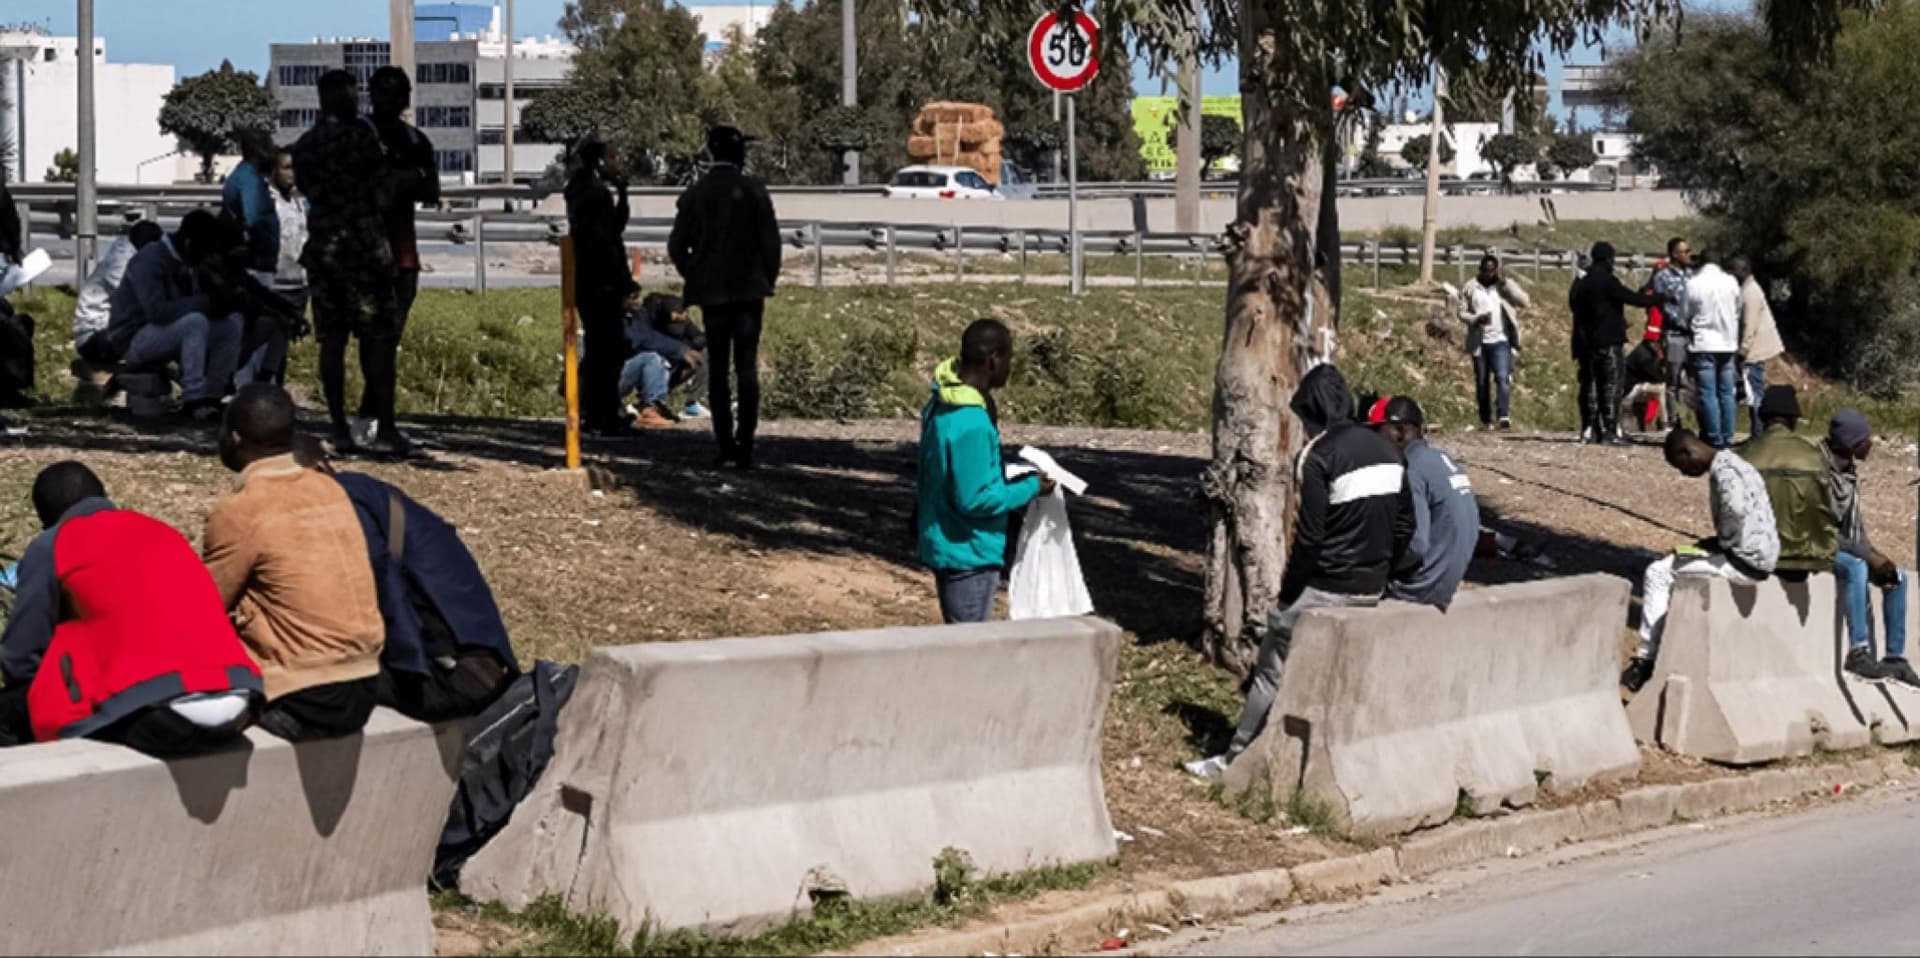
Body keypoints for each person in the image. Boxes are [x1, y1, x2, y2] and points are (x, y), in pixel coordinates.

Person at [1189, 364, 1413, 781]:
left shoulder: (1320, 454)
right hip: (1371, 588)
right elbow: (1405, 527)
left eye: (1305, 419)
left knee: (1269, 673)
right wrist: (1382, 571)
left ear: (1314, 413)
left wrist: (1288, 597)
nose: (1304, 428)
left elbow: (1310, 538)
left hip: (1327, 587)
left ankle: (1235, 761)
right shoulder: (1387, 449)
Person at [280, 402, 520, 720]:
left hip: (454, 674)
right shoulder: (370, 494)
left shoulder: (345, 503)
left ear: (321, 470)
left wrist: (407, 669)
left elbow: (382, 582)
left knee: (302, 686)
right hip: (480, 665)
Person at [0, 462, 261, 754]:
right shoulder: (163, 532)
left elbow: (20, 657)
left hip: (161, 711)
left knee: (11, 711)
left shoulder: (54, 543)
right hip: (241, 699)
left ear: (46, 519)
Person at [202, 384, 387, 741]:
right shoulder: (329, 488)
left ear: (236, 438)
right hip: (364, 684)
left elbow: (205, 608)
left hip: (304, 695)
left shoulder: (242, 510)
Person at [1620, 429, 1780, 692]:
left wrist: (1722, 541)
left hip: (1743, 562)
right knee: (1680, 559)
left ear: (1688, 452)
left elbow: (1736, 510)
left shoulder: (1723, 472)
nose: (1684, 472)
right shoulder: (1739, 463)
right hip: (1763, 556)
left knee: (1658, 573)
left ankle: (1646, 659)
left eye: (1681, 465)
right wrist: (1705, 545)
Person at [293, 69, 402, 455]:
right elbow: (383, 192)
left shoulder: (306, 146)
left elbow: (307, 189)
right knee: (377, 341)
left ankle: (337, 424)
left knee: (332, 342)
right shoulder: (362, 138)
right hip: (364, 253)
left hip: (324, 253)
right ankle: (384, 426)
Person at [916, 319, 1051, 625]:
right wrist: (1031, 488)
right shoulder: (972, 423)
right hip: (969, 551)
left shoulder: (941, 402)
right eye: (1009, 358)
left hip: (942, 538)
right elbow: (976, 499)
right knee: (969, 649)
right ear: (995, 359)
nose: (1010, 367)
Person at [670, 125, 783, 469]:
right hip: (749, 290)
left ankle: (723, 443)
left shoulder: (696, 193)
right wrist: (767, 278)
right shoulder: (754, 191)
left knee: (718, 367)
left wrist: (697, 274)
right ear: (740, 154)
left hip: (713, 294)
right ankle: (745, 443)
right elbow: (771, 243)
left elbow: (676, 246)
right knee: (746, 366)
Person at [358, 66, 440, 449]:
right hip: (365, 253)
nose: (389, 99)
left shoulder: (415, 140)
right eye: (382, 91)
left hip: (403, 253)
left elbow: (431, 188)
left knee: (391, 337)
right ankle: (370, 418)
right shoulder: (357, 137)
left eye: (396, 93)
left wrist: (401, 180)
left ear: (406, 98)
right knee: (371, 335)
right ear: (371, 94)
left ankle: (374, 413)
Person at [102, 209, 245, 421]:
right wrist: (204, 303)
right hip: (132, 339)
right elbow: (157, 311)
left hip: (164, 332)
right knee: (195, 322)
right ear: (188, 242)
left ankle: (213, 395)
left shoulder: (185, 262)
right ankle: (194, 398)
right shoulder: (150, 260)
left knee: (231, 325)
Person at [1822, 410, 1918, 686]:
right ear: (1851, 443)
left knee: (1896, 577)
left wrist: (1878, 556)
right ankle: (1858, 651)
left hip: (1845, 545)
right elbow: (1822, 530)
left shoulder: (1848, 475)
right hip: (1818, 546)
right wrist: (1867, 555)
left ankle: (1895, 658)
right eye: (1865, 440)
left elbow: (1855, 529)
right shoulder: (1820, 472)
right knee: (1857, 566)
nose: (1870, 445)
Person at [1368, 396, 1479, 609]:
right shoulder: (1441, 459)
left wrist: (1382, 567)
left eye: (1377, 432)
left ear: (1399, 432)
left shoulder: (1412, 470)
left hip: (1421, 588)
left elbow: (1416, 545)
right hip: (1447, 580)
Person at [565, 136, 639, 438]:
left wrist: (622, 194)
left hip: (590, 279)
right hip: (600, 281)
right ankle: (601, 414)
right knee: (606, 348)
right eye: (611, 157)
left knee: (604, 347)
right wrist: (622, 282)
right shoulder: (593, 194)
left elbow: (613, 228)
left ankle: (601, 411)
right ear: (598, 161)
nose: (616, 163)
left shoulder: (582, 189)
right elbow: (608, 240)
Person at [1569, 241, 1666, 444]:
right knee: (1612, 385)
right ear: (1609, 259)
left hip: (1586, 345)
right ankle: (1610, 431)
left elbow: (1574, 306)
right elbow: (1634, 299)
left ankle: (1590, 429)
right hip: (1609, 342)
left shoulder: (1582, 284)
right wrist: (1659, 297)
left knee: (1590, 385)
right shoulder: (1608, 281)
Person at [1738, 385, 1838, 576]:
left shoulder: (1744, 455)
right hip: (1806, 557)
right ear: (1793, 420)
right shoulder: (1813, 457)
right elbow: (1823, 511)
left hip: (1755, 556)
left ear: (1762, 418)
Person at [72, 219, 164, 363]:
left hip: (105, 332)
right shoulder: (121, 262)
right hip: (94, 337)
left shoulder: (129, 253)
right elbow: (141, 299)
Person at [618, 288, 708, 428]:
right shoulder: (613, 316)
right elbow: (640, 338)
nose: (637, 299)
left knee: (698, 356)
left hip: (623, 372)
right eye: (632, 296)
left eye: (637, 295)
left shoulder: (636, 314)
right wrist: (680, 349)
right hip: (608, 377)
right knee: (653, 358)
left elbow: (698, 336)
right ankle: (648, 408)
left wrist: (688, 349)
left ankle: (659, 404)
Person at [1460, 254, 1528, 432]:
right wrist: (1476, 319)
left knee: (1503, 378)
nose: (1489, 274)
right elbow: (1461, 312)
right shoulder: (1470, 287)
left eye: (1492, 271)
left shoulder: (1504, 286)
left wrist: (1505, 284)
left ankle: (1503, 415)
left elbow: (1524, 301)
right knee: (1482, 382)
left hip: (1501, 340)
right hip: (1480, 342)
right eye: (1486, 271)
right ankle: (1485, 419)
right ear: (1480, 270)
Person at [1685, 252, 1743, 449]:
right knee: (1727, 392)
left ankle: (1713, 436)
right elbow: (1737, 309)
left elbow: (1686, 312)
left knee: (1708, 392)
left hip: (1704, 342)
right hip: (1728, 342)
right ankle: (1727, 436)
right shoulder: (1731, 281)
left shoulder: (1694, 283)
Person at [1731, 256, 1785, 438]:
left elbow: (1749, 326)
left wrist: (1742, 351)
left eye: (1734, 270)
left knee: (1754, 394)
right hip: (1754, 349)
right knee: (1754, 393)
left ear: (1743, 270)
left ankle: (1758, 434)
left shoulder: (1750, 293)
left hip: (1754, 351)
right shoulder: (1747, 289)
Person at [1651, 237, 1695, 430]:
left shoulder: (1692, 275)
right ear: (1675, 254)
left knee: (1694, 379)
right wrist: (1682, 321)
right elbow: (1663, 305)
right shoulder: (1663, 277)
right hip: (1675, 335)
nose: (1689, 255)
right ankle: (1673, 420)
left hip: (1694, 335)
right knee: (1673, 379)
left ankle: (1697, 419)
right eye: (1685, 251)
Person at [269, 147, 310, 316]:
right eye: (286, 168)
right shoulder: (268, 202)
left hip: (299, 283)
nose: (292, 173)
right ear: (274, 170)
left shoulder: (298, 202)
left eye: (295, 168)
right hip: (276, 284)